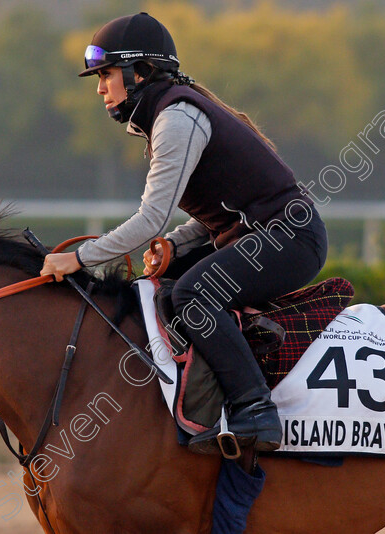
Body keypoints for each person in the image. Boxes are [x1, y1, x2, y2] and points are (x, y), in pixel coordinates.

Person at [40, 12, 328, 453]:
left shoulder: (176, 120)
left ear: (140, 72)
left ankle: (256, 409)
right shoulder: (167, 115)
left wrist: (78, 258)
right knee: (164, 288)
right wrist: (175, 245)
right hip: (262, 235)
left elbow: (148, 219)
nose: (100, 87)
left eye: (106, 74)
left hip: (290, 238)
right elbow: (215, 214)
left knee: (192, 295)